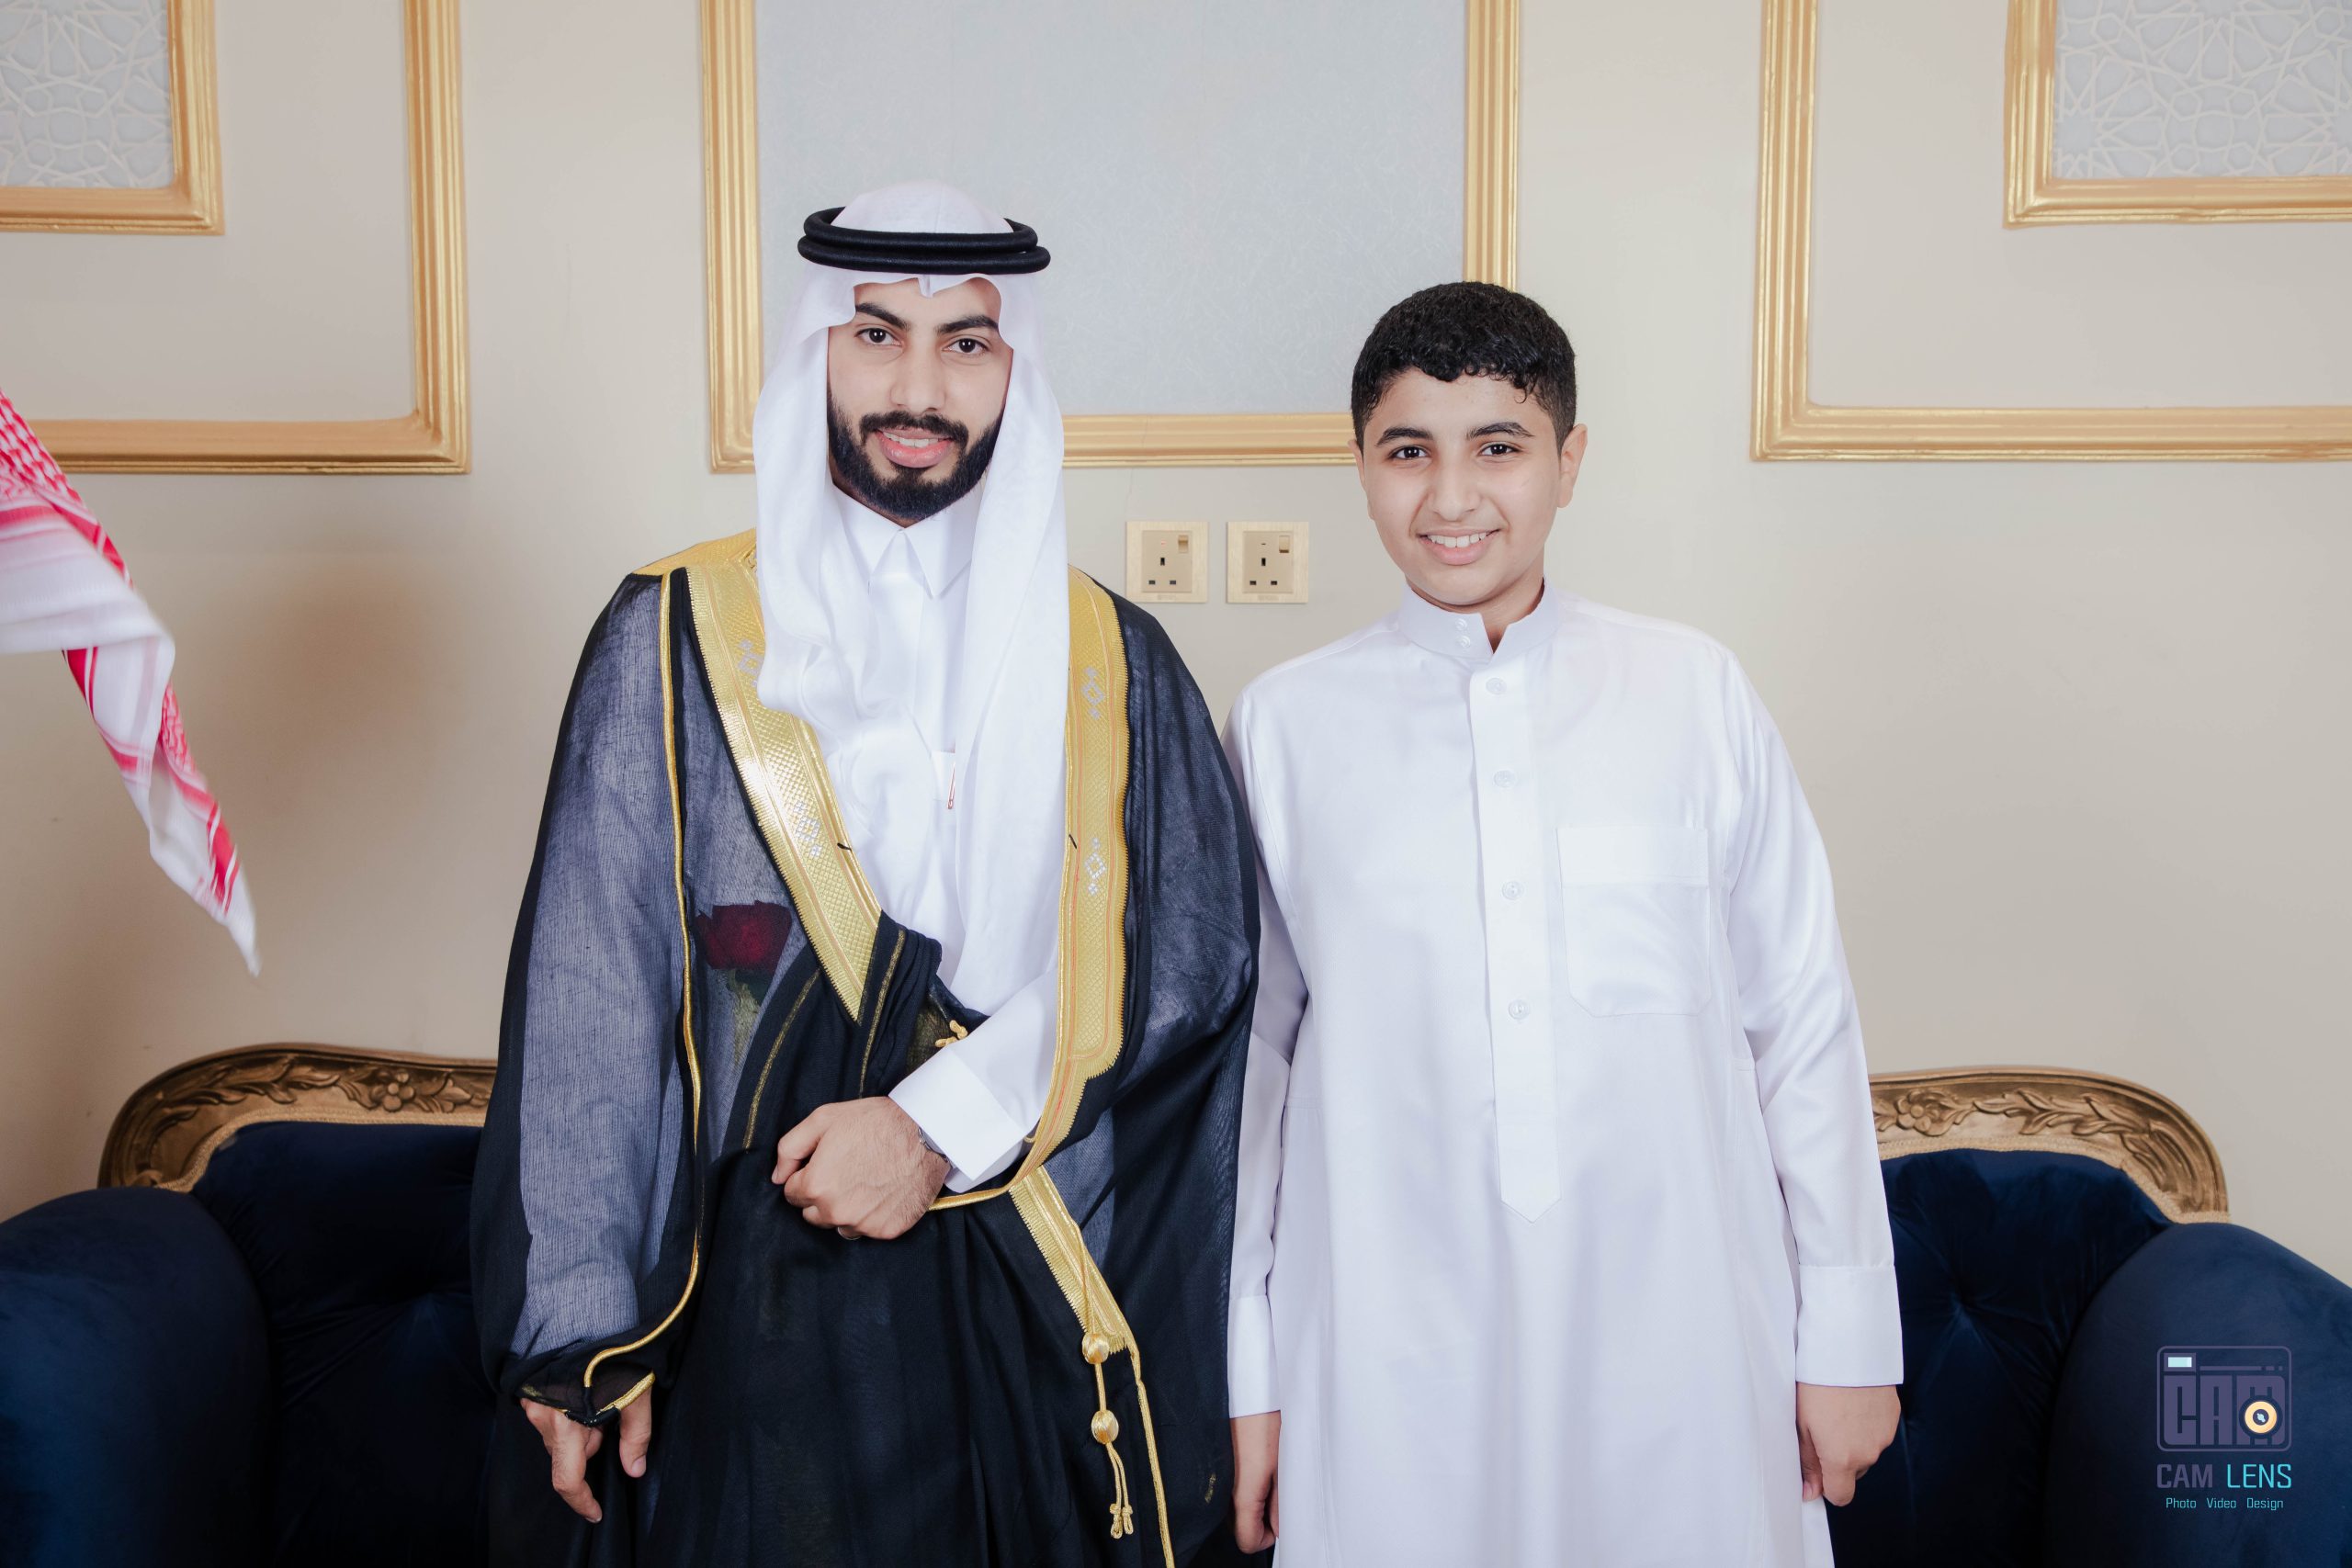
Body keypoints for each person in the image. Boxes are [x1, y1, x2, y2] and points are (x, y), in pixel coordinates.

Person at [470, 182, 1257, 1566]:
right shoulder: (677, 633)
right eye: (877, 335)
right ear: (813, 352)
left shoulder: (1115, 660)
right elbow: (599, 988)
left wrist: (935, 1125)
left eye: (968, 344)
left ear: (1016, 370)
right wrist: (584, 1325)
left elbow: (1183, 962)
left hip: (1039, 1275)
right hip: (766, 1315)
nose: (919, 389)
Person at [1221, 281, 1903, 1565]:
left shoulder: (1692, 693)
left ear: (1570, 462)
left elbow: (1802, 1021)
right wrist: (1248, 1372)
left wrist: (1851, 1339)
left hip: (1680, 1330)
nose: (1452, 497)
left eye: (1499, 446)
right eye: (1408, 451)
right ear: (1360, 466)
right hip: (1386, 1343)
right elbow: (1249, 1074)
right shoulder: (1284, 728)